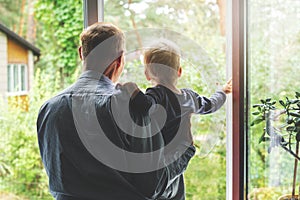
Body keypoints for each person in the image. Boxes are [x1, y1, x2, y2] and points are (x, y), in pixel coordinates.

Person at [36, 22, 195, 200]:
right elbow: (153, 185)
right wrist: (185, 149)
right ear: (120, 60)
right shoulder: (129, 107)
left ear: (81, 53)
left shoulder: (49, 109)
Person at [122, 39, 232, 198]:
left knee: (161, 187)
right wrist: (222, 91)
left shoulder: (156, 94)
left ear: (147, 75)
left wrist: (131, 90)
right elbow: (210, 105)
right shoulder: (189, 96)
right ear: (179, 71)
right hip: (181, 151)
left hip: (163, 153)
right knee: (175, 187)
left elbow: (143, 106)